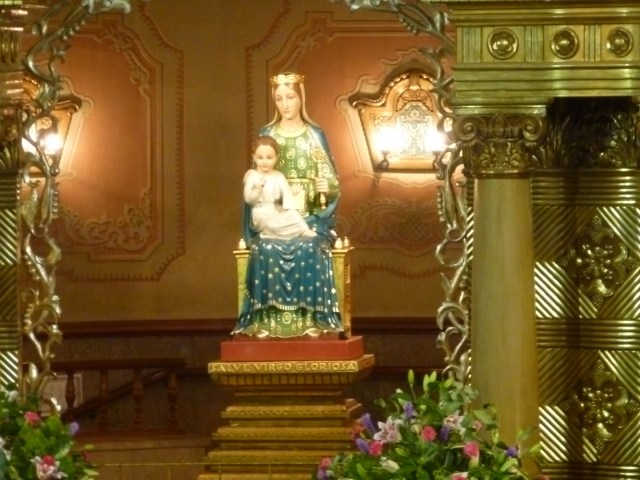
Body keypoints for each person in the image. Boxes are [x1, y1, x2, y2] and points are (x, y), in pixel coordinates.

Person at [232, 72, 343, 339]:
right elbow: (255, 181)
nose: (285, 104)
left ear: (301, 97)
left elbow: (332, 181)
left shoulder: (314, 135)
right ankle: (265, 320)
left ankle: (312, 317)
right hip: (273, 214)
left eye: (290, 97)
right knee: (265, 248)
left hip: (309, 216)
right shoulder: (267, 134)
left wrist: (327, 186)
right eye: (279, 98)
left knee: (310, 246)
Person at [244, 135, 316, 240]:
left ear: (276, 158)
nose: (264, 161)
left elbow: (287, 198)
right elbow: (248, 199)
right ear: (254, 157)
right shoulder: (252, 175)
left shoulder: (279, 176)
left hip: (278, 211)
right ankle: (269, 233)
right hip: (262, 214)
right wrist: (257, 189)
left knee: (293, 214)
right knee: (269, 223)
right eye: (260, 157)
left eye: (269, 158)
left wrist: (294, 193)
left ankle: (302, 231)